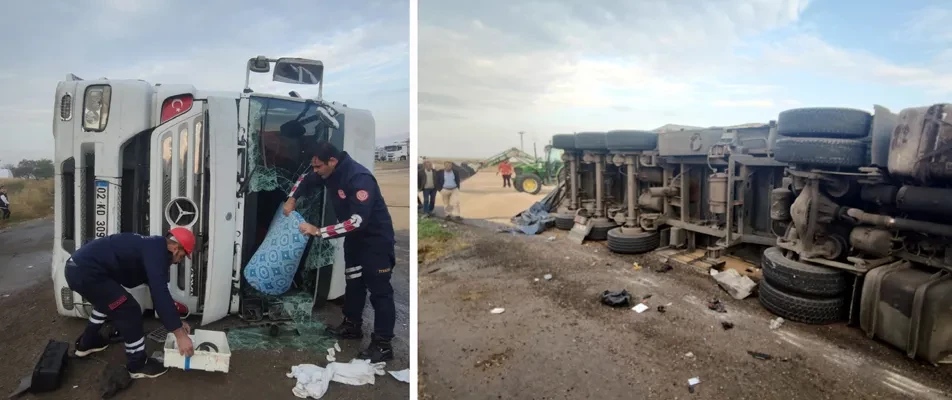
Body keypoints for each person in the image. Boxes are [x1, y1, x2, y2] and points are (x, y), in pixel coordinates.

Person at [283, 141, 397, 363]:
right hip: (354, 241)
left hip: (376, 243)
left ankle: (383, 344)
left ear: (332, 161)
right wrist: (292, 198)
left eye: (318, 167)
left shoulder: (359, 179)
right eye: (314, 166)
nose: (315, 171)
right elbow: (304, 179)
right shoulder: (329, 173)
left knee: (380, 292)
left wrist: (319, 231)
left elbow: (357, 221)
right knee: (354, 283)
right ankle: (352, 325)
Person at [66, 228, 197, 379]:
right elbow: (160, 293)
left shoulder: (153, 246)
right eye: (183, 255)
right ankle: (138, 364)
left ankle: (88, 342)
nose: (180, 260)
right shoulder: (156, 253)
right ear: (175, 248)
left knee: (108, 300)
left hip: (78, 268)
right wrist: (180, 335)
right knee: (129, 310)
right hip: (85, 272)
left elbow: (161, 294)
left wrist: (177, 323)